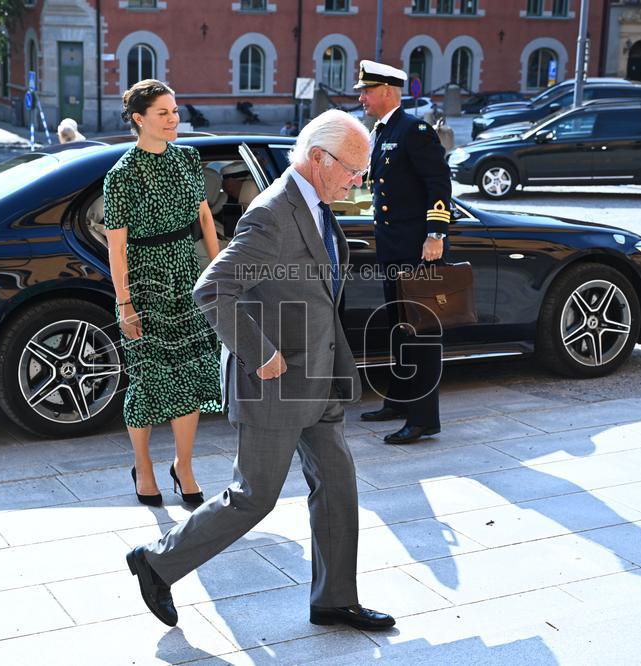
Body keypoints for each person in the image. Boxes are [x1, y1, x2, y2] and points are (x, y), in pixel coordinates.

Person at [126, 108, 396, 632]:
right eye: (354, 170)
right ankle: (156, 561)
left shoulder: (317, 204)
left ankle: (334, 598)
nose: (359, 180)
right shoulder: (273, 212)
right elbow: (212, 289)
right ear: (319, 159)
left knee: (338, 486)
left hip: (318, 379)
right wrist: (260, 353)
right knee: (254, 497)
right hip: (276, 381)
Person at [103, 79, 222, 507]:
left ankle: (183, 465)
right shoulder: (122, 176)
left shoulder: (189, 159)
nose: (174, 119)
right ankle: (144, 466)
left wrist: (218, 272)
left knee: (190, 377)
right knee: (149, 381)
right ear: (139, 119)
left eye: (175, 111)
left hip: (187, 279)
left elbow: (206, 220)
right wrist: (125, 304)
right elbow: (117, 248)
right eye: (163, 113)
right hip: (145, 284)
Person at [356, 60, 453, 445]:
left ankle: (424, 418)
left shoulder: (414, 130)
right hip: (394, 251)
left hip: (418, 252)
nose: (361, 97)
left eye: (366, 90)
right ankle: (399, 400)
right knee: (400, 328)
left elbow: (438, 183)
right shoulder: (382, 131)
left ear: (386, 92)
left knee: (422, 335)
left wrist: (435, 234)